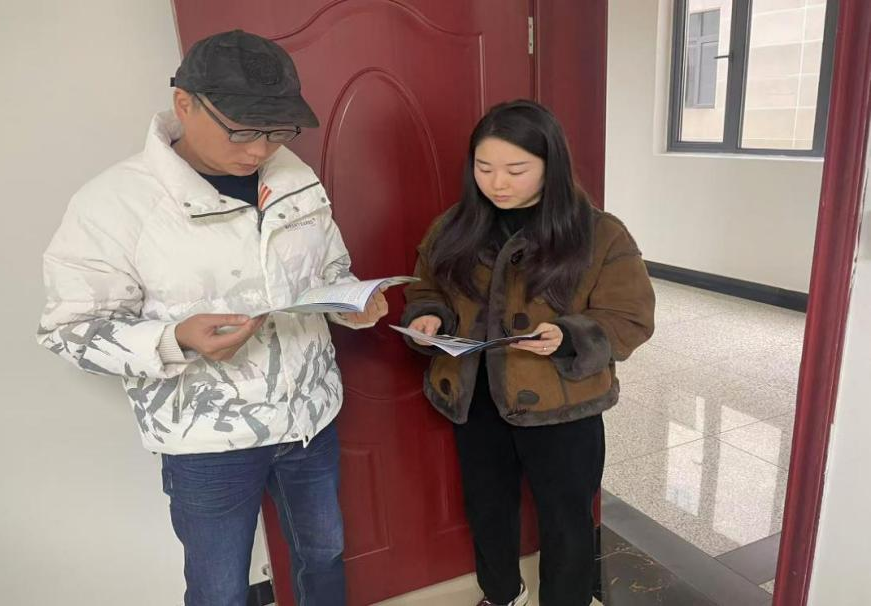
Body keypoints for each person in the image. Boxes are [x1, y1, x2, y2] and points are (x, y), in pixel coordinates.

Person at [37, 30, 387, 606]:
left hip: (310, 418)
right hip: (207, 440)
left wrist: (351, 302)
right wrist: (174, 338)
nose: (260, 150)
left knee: (323, 556)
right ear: (184, 104)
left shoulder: (293, 176)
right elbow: (69, 331)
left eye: (277, 131)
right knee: (219, 589)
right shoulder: (115, 205)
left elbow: (328, 267)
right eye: (243, 131)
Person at [401, 100, 655, 606]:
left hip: (563, 406)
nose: (497, 183)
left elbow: (631, 317)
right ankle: (501, 594)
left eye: (516, 170)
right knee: (488, 508)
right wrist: (429, 319)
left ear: (550, 165)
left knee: (567, 519)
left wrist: (569, 335)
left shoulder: (599, 233)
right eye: (484, 168)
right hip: (476, 399)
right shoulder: (454, 226)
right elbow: (426, 288)